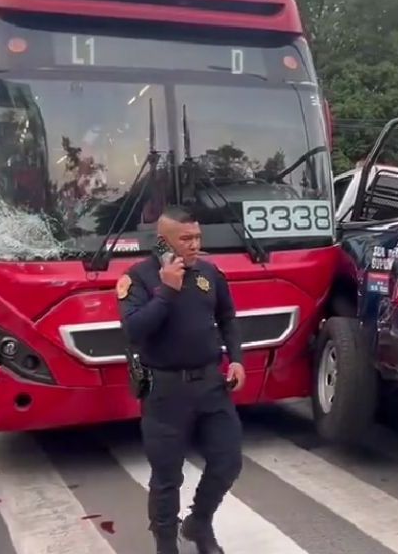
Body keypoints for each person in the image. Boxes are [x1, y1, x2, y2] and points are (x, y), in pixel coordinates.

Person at [117, 206, 245, 554]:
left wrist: (236, 359)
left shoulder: (209, 272)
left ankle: (199, 523)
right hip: (165, 392)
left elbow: (228, 318)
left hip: (211, 386)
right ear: (162, 242)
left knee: (228, 460)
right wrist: (167, 291)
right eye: (185, 238)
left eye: (197, 237)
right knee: (167, 477)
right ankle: (165, 545)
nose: (194, 244)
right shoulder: (139, 278)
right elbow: (133, 330)